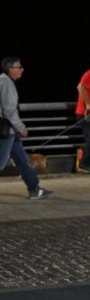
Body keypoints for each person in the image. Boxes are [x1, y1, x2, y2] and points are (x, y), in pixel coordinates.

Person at [0, 57, 53, 199]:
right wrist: (21, 127)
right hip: (6, 130)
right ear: (10, 69)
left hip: (11, 130)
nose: (22, 69)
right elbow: (8, 111)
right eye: (19, 67)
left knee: (23, 160)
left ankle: (34, 189)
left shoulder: (5, 81)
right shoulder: (6, 83)